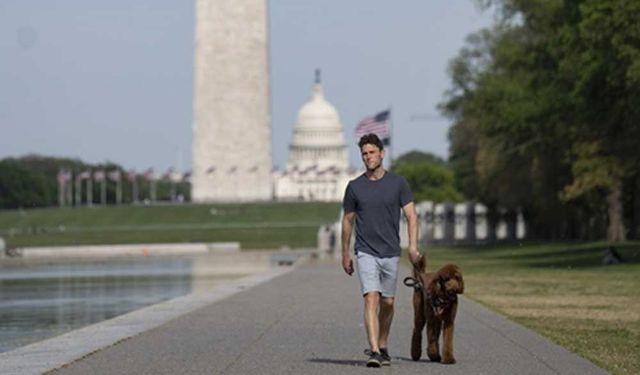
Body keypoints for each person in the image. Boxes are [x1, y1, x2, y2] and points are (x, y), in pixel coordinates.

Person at [341, 133, 420, 367]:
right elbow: (347, 221)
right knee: (371, 299)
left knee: (388, 303)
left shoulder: (398, 183)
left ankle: (383, 344)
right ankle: (374, 351)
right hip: (365, 251)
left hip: (390, 251)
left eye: (372, 152)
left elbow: (412, 216)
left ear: (381, 154)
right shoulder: (354, 187)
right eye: (364, 154)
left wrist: (413, 246)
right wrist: (345, 253)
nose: (368, 157)